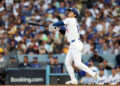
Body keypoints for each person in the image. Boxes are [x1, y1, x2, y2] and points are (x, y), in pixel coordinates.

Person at [49, 8, 98, 85]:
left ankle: (93, 74)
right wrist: (55, 28)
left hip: (75, 44)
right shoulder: (71, 23)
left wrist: (53, 25)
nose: (69, 12)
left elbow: (60, 23)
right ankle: (73, 80)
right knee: (67, 63)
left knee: (78, 63)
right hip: (73, 45)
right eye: (70, 11)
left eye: (71, 12)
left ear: (74, 15)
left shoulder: (71, 19)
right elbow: (64, 31)